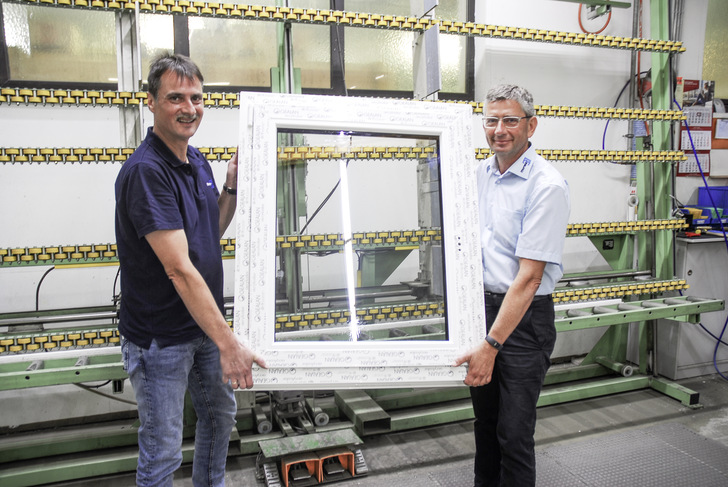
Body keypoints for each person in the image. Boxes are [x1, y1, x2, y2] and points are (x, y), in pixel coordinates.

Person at [115, 53, 266, 486]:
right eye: (175, 98)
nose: (189, 108)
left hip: (201, 329)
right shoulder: (147, 172)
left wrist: (231, 185)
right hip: (161, 339)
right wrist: (229, 343)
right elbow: (179, 269)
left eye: (197, 98)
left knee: (219, 420)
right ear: (151, 102)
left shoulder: (195, 160)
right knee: (163, 451)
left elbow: (208, 232)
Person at [454, 84, 570, 487]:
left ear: (531, 125)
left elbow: (530, 277)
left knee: (514, 433)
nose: (498, 129)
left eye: (509, 120)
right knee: (485, 424)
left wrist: (491, 345)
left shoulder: (546, 185)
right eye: (491, 120)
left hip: (523, 322)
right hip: (481, 311)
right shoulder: (478, 175)